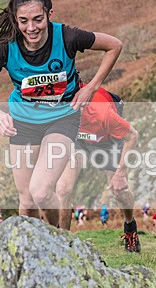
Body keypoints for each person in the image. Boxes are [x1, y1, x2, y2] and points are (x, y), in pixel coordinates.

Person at [0, 0, 122, 228]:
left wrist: (92, 87)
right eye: (23, 21)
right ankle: (32, 247)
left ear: (49, 14)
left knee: (42, 192)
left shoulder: (67, 36)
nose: (31, 28)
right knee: (28, 201)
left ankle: (56, 240)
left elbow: (114, 45)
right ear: (15, 19)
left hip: (62, 118)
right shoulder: (6, 46)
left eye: (38, 19)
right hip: (23, 122)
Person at [54, 85, 140, 251]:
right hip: (78, 142)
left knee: (119, 192)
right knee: (63, 189)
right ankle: (63, 246)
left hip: (106, 143)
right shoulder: (59, 108)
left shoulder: (102, 112)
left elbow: (132, 136)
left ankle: (130, 227)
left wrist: (121, 172)